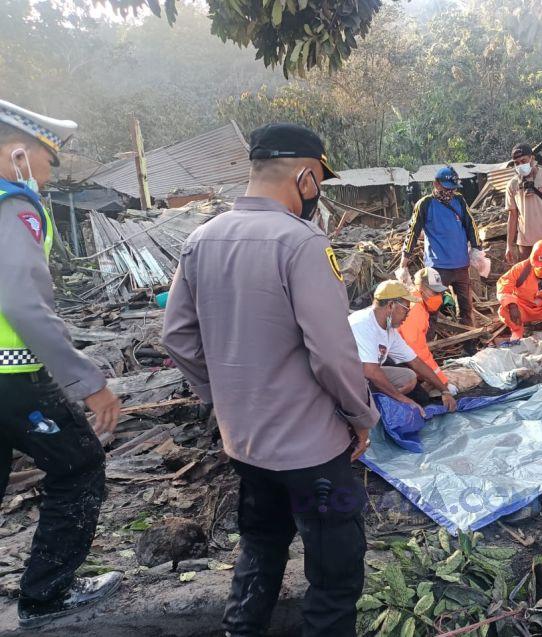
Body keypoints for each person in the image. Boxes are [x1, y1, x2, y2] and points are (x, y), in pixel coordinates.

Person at [162, 123, 381, 637]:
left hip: (247, 448)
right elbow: (331, 352)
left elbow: (177, 338)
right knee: (335, 571)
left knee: (260, 548)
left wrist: (223, 399)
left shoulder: (200, 241)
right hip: (315, 457)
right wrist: (359, 416)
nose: (318, 194)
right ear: (306, 177)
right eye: (319, 183)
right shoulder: (302, 243)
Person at [0, 100, 123, 628]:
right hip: (14, 377)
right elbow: (23, 302)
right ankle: (46, 596)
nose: (50, 178)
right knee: (79, 466)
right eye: (49, 163)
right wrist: (86, 381)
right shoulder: (14, 205)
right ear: (20, 155)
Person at [348, 280, 458, 415]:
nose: (408, 315)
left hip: (364, 375)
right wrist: (404, 399)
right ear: (390, 305)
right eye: (406, 309)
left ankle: (380, 404)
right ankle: (371, 409)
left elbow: (415, 361)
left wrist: (444, 390)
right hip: (346, 378)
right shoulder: (362, 324)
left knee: (409, 377)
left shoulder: (389, 331)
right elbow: (370, 371)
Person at [401, 166, 480, 328]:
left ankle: (468, 342)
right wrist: (404, 262)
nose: (449, 192)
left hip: (461, 266)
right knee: (431, 310)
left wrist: (477, 248)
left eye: (453, 189)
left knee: (466, 308)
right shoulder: (425, 204)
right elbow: (413, 233)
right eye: (446, 188)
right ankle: (430, 344)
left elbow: (471, 224)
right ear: (436, 184)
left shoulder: (459, 200)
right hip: (437, 268)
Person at [398, 268, 459, 396]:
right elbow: (418, 353)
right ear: (422, 288)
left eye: (440, 293)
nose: (439, 297)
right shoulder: (416, 310)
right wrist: (443, 384)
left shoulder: (419, 303)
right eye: (434, 292)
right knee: (421, 398)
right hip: (389, 358)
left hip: (397, 354)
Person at [496, 239, 542, 340]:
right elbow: (503, 286)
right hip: (522, 308)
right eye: (538, 266)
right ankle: (517, 331)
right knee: (504, 311)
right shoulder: (520, 269)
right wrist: (512, 305)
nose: (541, 269)